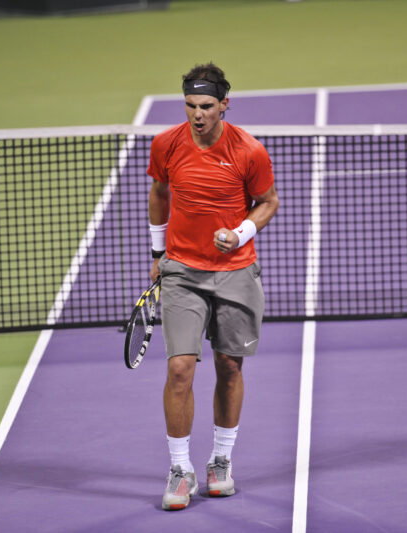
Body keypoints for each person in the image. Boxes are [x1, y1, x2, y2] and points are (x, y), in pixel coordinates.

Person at [147, 62, 279, 511]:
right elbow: (160, 191)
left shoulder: (249, 150)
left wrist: (240, 232)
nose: (197, 115)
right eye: (190, 106)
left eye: (206, 106)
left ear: (225, 104)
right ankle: (180, 468)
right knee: (180, 369)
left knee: (229, 368)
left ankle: (220, 461)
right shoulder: (166, 143)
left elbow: (268, 202)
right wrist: (156, 253)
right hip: (183, 270)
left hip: (236, 271)